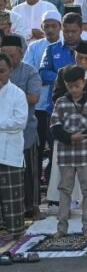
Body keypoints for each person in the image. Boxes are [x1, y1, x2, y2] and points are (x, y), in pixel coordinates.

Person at [49, 65, 87, 237]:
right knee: (65, 189)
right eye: (70, 86)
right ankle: (61, 227)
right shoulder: (61, 102)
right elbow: (55, 127)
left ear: (84, 83)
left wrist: (81, 136)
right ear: (65, 84)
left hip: (86, 152)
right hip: (66, 153)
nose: (74, 89)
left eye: (77, 85)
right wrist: (70, 138)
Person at [0, 53, 28, 237]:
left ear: (10, 71)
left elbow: (20, 122)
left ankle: (16, 235)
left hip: (10, 154)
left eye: (1, 71)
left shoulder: (17, 93)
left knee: (12, 198)